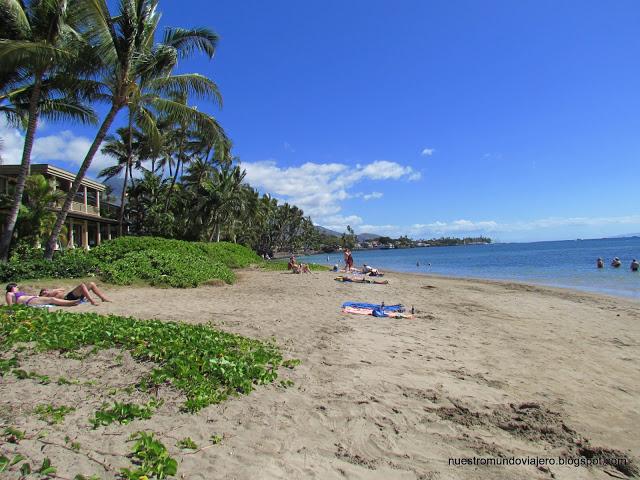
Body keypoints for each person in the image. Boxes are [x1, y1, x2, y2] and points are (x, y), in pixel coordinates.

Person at [5, 283, 81, 307]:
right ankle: (70, 303)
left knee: (51, 299)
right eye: (16, 287)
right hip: (28, 301)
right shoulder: (9, 293)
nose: (18, 288)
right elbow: (10, 304)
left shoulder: (18, 293)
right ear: (12, 287)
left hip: (32, 298)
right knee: (52, 300)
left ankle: (71, 302)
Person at [39, 282, 110, 306]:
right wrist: (48, 294)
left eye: (45, 290)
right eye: (43, 292)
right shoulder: (47, 297)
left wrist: (53, 290)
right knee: (82, 285)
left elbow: (63, 289)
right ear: (42, 295)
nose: (45, 292)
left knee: (91, 284)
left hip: (71, 295)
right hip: (68, 298)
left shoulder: (52, 292)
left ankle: (103, 298)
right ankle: (92, 301)